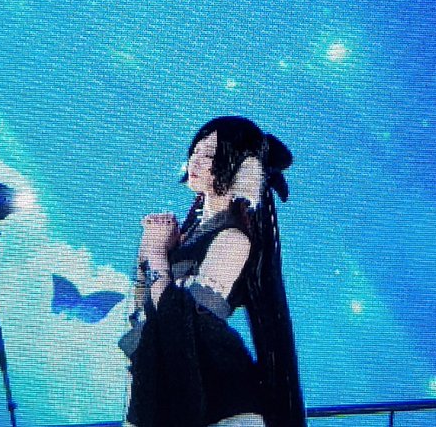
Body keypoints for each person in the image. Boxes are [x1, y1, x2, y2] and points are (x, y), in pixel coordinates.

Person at [119, 116, 306, 427]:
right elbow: (142, 313)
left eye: (208, 155)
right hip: (168, 393)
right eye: (195, 151)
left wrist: (156, 256)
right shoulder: (187, 235)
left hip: (222, 403)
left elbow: (183, 319)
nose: (195, 160)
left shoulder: (233, 238)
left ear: (239, 167)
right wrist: (148, 255)